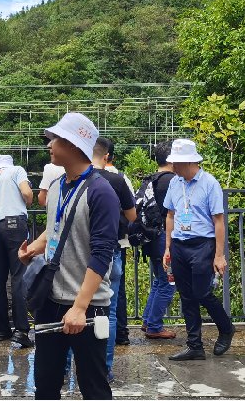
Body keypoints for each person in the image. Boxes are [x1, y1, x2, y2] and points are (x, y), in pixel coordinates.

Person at [18, 112, 119, 400]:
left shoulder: (102, 192)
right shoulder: (57, 186)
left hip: (86, 308)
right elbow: (54, 230)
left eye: (56, 139)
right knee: (46, 385)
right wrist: (33, 249)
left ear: (74, 145)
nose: (49, 145)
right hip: (50, 302)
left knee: (94, 387)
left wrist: (79, 307)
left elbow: (101, 254)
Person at [162, 138, 234, 361]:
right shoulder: (175, 183)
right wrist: (168, 247)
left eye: (177, 163)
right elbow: (171, 215)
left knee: (202, 292)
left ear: (190, 162)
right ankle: (194, 345)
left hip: (203, 244)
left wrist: (219, 255)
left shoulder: (209, 183)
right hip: (180, 244)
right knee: (186, 296)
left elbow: (219, 220)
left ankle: (226, 327)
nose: (173, 167)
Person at [92, 137, 136, 382]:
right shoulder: (117, 180)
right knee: (107, 311)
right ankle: (104, 370)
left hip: (85, 251)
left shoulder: (79, 179)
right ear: (107, 156)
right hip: (115, 248)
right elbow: (132, 215)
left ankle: (66, 367)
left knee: (71, 307)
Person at [0, 154, 34, 348]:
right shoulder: (17, 171)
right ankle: (21, 330)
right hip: (15, 224)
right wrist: (29, 198)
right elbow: (27, 193)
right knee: (18, 276)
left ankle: (1, 330)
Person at [136, 140, 176, 339]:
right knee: (169, 282)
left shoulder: (152, 179)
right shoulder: (171, 181)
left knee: (160, 281)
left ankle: (147, 321)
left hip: (151, 238)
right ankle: (154, 326)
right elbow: (173, 212)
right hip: (163, 239)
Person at [102, 143, 135, 347]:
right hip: (118, 240)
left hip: (92, 245)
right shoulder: (121, 179)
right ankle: (121, 334)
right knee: (116, 293)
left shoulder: (84, 177)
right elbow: (132, 212)